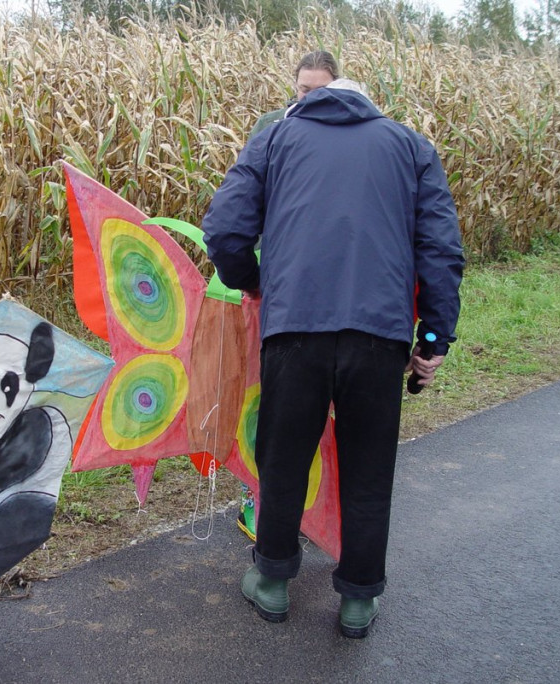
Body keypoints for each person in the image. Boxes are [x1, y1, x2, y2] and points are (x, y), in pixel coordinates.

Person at [203, 79, 464, 638]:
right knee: (369, 470)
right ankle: (357, 601)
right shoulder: (411, 147)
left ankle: (272, 581)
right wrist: (434, 338)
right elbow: (440, 249)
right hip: (379, 334)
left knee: (283, 458)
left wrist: (256, 282)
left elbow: (224, 229)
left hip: (295, 326)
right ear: (369, 102)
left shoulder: (274, 140)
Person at [238, 50, 339, 542]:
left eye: (319, 90)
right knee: (264, 392)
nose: (309, 98)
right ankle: (256, 497)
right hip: (275, 276)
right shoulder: (272, 125)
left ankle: (316, 499)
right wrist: (251, 272)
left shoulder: (348, 130)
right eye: (302, 89)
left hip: (328, 282)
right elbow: (249, 199)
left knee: (318, 399)